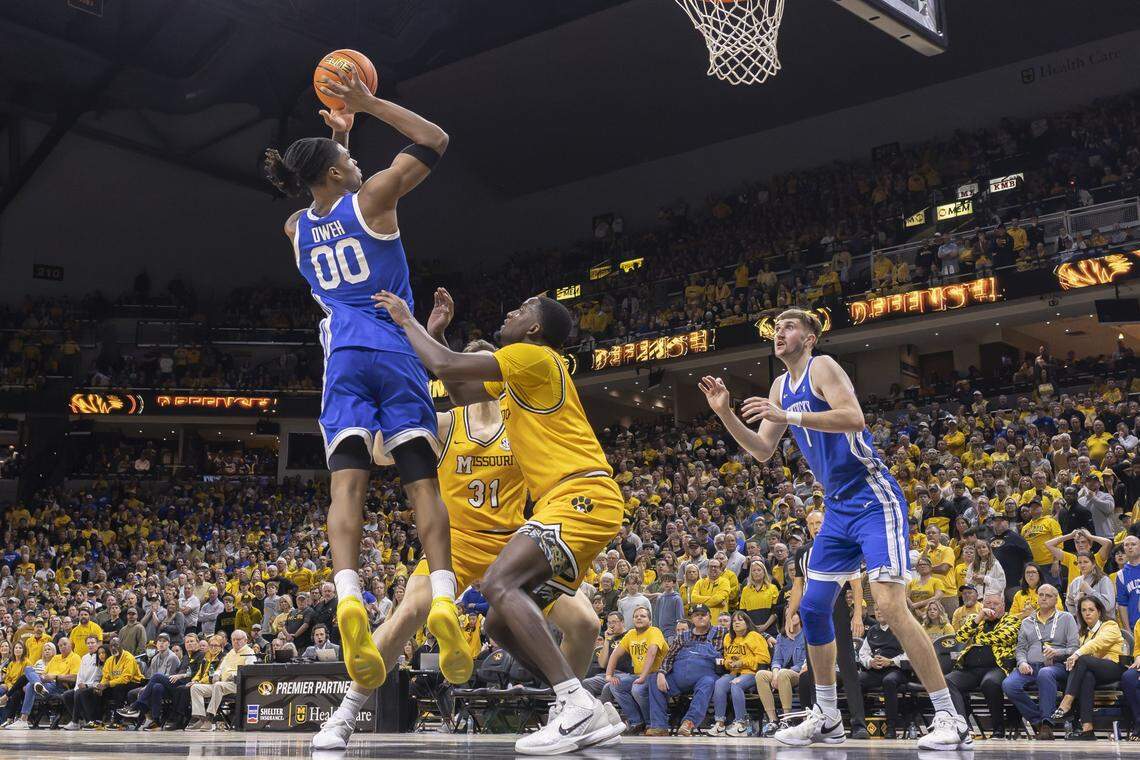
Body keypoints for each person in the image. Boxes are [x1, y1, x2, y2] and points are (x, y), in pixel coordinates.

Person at [263, 61, 467, 691]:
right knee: (421, 488)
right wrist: (371, 106)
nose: (358, 166)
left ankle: (348, 597)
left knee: (345, 492)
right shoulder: (375, 200)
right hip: (396, 350)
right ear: (337, 174)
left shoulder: (297, 229)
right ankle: (443, 602)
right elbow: (435, 141)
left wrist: (341, 137)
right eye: (349, 163)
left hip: (342, 359)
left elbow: (327, 197)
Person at [313, 337, 608, 753]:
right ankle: (343, 716)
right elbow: (381, 454)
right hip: (457, 542)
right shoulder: (445, 422)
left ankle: (568, 711)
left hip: (514, 538)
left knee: (585, 624)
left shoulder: (519, 420)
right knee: (407, 614)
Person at [372, 290, 627, 753]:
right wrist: (437, 335)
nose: (509, 311)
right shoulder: (519, 383)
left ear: (534, 330)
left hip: (581, 495)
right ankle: (582, 700)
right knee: (499, 626)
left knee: (498, 584)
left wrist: (406, 320)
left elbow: (448, 367)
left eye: (522, 309)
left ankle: (574, 704)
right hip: (563, 504)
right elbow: (462, 390)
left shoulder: (533, 357)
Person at [699, 309, 965, 750]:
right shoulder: (780, 386)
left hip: (872, 498)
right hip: (837, 509)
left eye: (788, 327)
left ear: (809, 338)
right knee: (814, 608)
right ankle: (827, 716)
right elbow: (764, 449)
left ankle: (949, 716)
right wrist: (725, 414)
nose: (779, 333)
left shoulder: (822, 367)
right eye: (776, 329)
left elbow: (854, 417)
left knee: (889, 606)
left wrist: (790, 416)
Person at [786, 511, 868, 740]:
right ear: (807, 527)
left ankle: (858, 722)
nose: (815, 526)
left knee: (847, 664)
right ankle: (818, 720)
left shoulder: (839, 547)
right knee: (814, 667)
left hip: (836, 607)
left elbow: (856, 584)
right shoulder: (802, 552)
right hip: (811, 611)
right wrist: (790, 613)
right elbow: (798, 587)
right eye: (811, 523)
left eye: (819, 522)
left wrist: (858, 614)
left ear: (827, 523)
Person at [1001, 584, 1077, 740]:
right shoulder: (1027, 622)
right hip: (1030, 667)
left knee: (1045, 673)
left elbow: (1075, 648)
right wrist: (1022, 662)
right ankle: (1039, 720)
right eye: (1040, 594)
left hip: (1057, 666)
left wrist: (1058, 652)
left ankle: (1047, 723)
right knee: (1009, 684)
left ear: (1056, 599)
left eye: (1048, 595)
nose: (1043, 598)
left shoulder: (1066, 618)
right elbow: (1021, 649)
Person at [944, 593, 1020, 737]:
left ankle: (998, 729)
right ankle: (963, 725)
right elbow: (959, 637)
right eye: (988, 603)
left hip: (997, 667)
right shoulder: (975, 619)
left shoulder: (1012, 619)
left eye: (995, 604)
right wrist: (978, 619)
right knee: (948, 680)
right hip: (970, 669)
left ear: (1003, 606)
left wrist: (977, 637)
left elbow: (1004, 637)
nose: (991, 607)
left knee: (989, 683)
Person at [1050, 596, 1126, 739]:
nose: (1087, 613)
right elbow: (1080, 653)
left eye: (1091, 609)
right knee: (1086, 676)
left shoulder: (1110, 625)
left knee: (1083, 660)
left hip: (1115, 667)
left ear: (1099, 611)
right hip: (1095, 671)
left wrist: (1077, 654)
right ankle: (1087, 729)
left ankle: (1066, 702)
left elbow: (1098, 643)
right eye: (1084, 610)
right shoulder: (1083, 634)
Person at [647, 605, 722, 737]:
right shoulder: (682, 636)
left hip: (704, 676)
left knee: (708, 683)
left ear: (710, 616)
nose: (700, 617)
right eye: (696, 615)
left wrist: (767, 636)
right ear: (692, 619)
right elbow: (669, 657)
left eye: (703, 614)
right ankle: (659, 726)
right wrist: (661, 673)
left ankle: (689, 722)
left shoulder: (722, 632)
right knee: (653, 679)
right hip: (678, 677)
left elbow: (747, 630)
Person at [604, 605, 666, 735]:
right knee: (615, 686)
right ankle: (636, 721)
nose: (639, 618)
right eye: (636, 616)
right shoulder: (631, 634)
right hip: (639, 675)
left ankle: (650, 723)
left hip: (657, 675)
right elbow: (615, 654)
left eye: (643, 616)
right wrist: (609, 675)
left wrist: (643, 677)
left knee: (637, 689)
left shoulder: (654, 631)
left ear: (650, 620)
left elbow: (652, 652)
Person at [710, 612, 770, 737]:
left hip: (753, 673)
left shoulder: (754, 636)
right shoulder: (728, 638)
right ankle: (720, 724)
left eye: (740, 620)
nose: (736, 623)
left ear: (747, 623)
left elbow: (764, 659)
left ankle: (740, 725)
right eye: (734, 621)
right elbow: (726, 658)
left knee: (735, 684)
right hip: (734, 672)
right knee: (720, 683)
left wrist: (742, 663)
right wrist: (729, 663)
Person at [856, 606, 910, 739]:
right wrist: (870, 662)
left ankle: (891, 726)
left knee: (889, 681)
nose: (879, 612)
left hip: (896, 670)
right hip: (876, 670)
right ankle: (860, 724)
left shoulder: (900, 629)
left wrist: (890, 661)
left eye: (882, 609)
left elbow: (910, 654)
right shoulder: (873, 630)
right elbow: (863, 653)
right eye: (876, 610)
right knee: (857, 681)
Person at [188, 628, 255, 730]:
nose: (236, 642)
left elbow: (249, 672)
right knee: (195, 688)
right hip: (221, 684)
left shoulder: (250, 653)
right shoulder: (231, 653)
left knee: (218, 686)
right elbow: (220, 668)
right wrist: (216, 674)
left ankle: (209, 718)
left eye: (239, 639)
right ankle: (201, 719)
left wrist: (233, 675)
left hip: (237, 685)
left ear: (245, 641)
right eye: (234, 639)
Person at [756, 611, 806, 737]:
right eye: (788, 615)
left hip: (801, 673)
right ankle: (773, 720)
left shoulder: (806, 635)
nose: (791, 617)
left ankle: (787, 718)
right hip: (782, 673)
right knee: (761, 674)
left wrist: (781, 673)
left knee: (784, 673)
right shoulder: (781, 637)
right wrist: (775, 673)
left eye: (794, 614)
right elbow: (777, 660)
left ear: (800, 617)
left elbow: (803, 663)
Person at [60, 637, 103, 730]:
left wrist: (87, 685)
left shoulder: (100, 657)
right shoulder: (84, 657)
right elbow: (79, 675)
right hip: (82, 686)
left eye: (92, 643)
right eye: (88, 643)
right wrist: (78, 685)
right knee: (66, 695)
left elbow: (100, 677)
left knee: (80, 692)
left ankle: (75, 721)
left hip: (94, 686)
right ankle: (80, 719)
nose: (90, 645)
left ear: (98, 644)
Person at [1063, 552, 1115, 618]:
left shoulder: (1104, 580)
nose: (1082, 565)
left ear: (1093, 564)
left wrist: (1090, 591)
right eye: (1079, 562)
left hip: (1103, 623)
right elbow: (1069, 602)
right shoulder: (1075, 582)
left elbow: (1108, 606)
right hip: (1083, 625)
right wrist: (1078, 614)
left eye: (1085, 562)